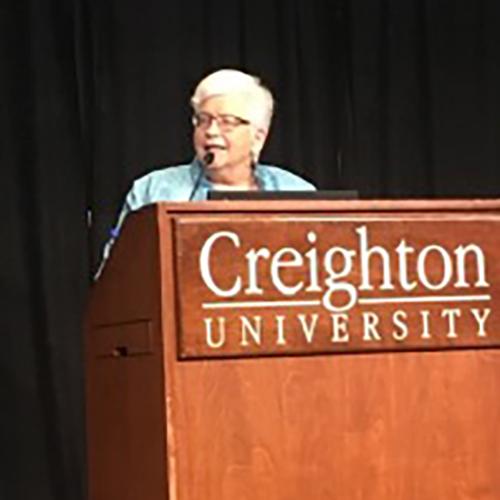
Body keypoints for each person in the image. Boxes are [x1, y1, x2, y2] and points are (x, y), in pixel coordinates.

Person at [98, 68, 316, 272]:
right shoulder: (153, 190)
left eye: (227, 122)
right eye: (203, 120)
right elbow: (116, 278)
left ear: (258, 137)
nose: (211, 131)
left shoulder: (298, 192)